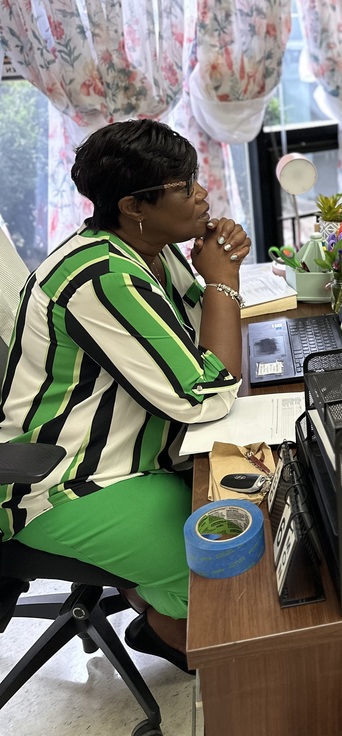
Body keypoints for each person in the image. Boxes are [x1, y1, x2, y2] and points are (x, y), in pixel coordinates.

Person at [0, 119, 251, 673]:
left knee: (252, 507)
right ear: (136, 204)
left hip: (136, 458)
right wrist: (223, 281)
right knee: (222, 568)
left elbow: (200, 346)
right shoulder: (100, 276)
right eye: (185, 188)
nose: (202, 195)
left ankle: (147, 597)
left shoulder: (152, 251)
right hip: (66, 481)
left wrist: (213, 272)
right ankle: (168, 625)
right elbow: (205, 393)